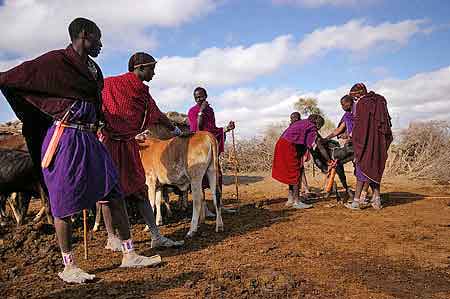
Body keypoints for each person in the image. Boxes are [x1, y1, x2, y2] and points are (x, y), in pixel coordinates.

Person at [0, 18, 161, 284]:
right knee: (62, 201)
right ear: (84, 35)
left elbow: (96, 102)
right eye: (98, 39)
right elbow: (13, 77)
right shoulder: (55, 62)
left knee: (114, 191)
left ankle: (129, 254)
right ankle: (69, 265)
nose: (101, 44)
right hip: (66, 137)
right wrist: (41, 113)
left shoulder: (94, 70)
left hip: (90, 137)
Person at [100, 52, 184, 251]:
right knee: (108, 192)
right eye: (151, 69)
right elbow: (96, 105)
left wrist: (174, 129)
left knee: (140, 189)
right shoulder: (109, 84)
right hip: (109, 145)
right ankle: (112, 238)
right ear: (139, 68)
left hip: (129, 145)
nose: (154, 73)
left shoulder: (143, 93)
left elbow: (156, 113)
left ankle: (156, 235)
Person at [345, 83, 393, 210]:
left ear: (359, 94)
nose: (355, 100)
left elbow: (359, 127)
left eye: (355, 97)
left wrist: (353, 139)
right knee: (374, 170)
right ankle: (377, 201)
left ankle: (356, 202)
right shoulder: (380, 101)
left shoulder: (361, 103)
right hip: (379, 143)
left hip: (365, 143)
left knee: (362, 169)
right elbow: (387, 123)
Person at [187, 87, 235, 201]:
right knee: (200, 179)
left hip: (210, 149)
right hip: (198, 150)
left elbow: (212, 130)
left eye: (201, 96)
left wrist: (227, 128)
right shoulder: (192, 111)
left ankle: (218, 204)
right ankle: (204, 208)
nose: (199, 99)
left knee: (217, 176)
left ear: (206, 96)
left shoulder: (211, 111)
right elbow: (198, 130)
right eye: (196, 98)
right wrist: (201, 111)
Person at [272, 114, 324, 209]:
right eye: (320, 127)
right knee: (295, 173)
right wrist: (328, 160)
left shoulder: (303, 123)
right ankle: (297, 201)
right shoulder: (312, 127)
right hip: (289, 147)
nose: (318, 129)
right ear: (318, 124)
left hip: (282, 144)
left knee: (293, 172)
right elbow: (311, 145)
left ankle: (290, 199)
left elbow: (302, 143)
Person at [289, 112, 310, 198]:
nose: (292, 120)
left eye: (294, 118)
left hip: (299, 152)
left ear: (298, 118)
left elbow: (303, 140)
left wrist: (305, 152)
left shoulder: (300, 126)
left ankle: (304, 190)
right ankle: (295, 197)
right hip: (294, 152)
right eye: (291, 118)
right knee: (297, 172)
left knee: (300, 171)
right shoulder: (292, 126)